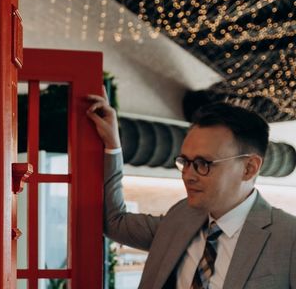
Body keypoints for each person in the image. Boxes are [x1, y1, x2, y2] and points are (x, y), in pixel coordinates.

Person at [87, 91, 296, 289]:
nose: (188, 175)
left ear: (249, 168)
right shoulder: (181, 215)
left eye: (203, 163)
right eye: (185, 162)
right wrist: (113, 144)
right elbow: (115, 223)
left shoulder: (288, 238)